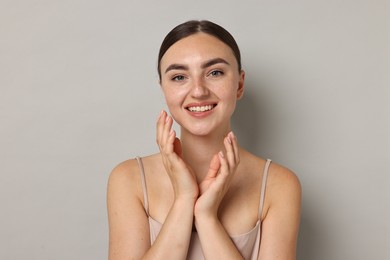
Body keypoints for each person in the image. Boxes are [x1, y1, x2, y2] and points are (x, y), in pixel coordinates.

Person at [107, 20, 301, 260]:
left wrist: (207, 216)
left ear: (239, 84)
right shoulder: (128, 179)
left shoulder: (279, 185)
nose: (198, 91)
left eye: (215, 72)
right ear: (163, 89)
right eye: (179, 77)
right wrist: (184, 199)